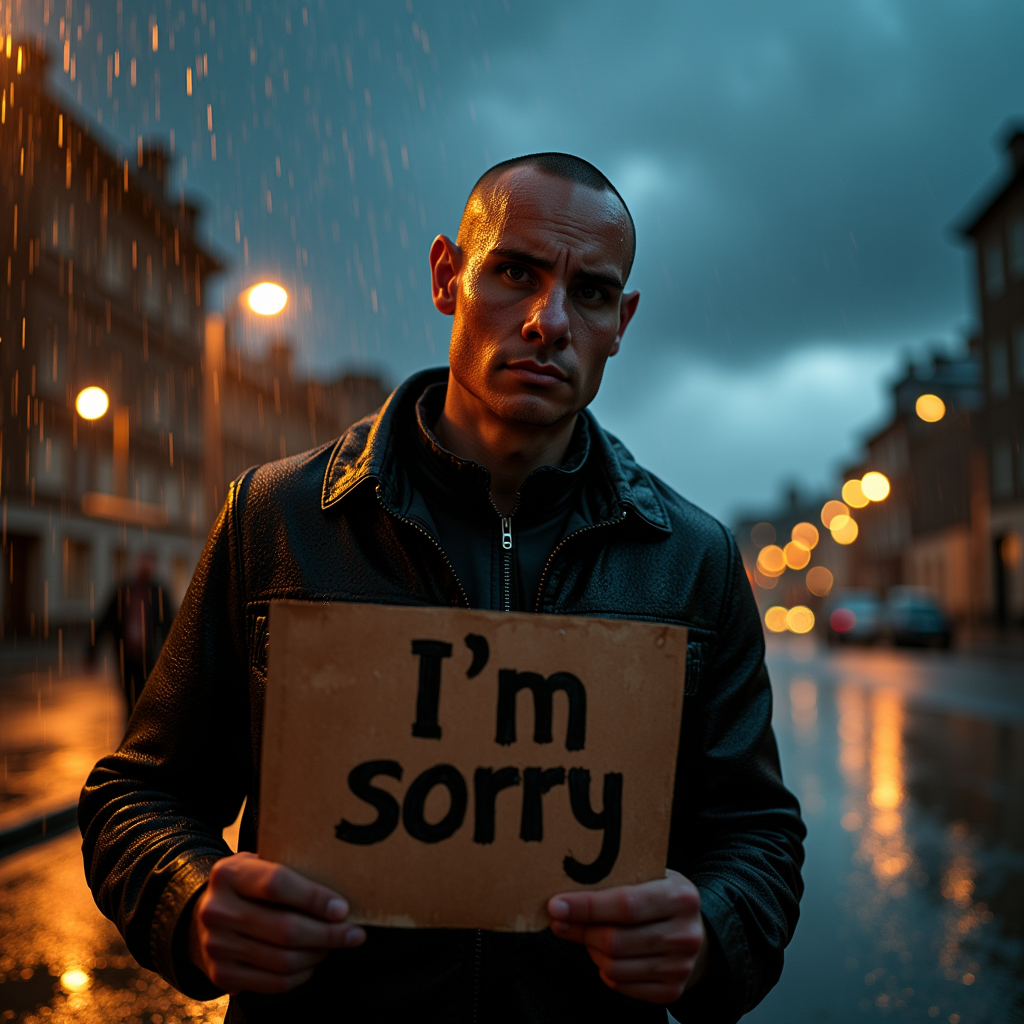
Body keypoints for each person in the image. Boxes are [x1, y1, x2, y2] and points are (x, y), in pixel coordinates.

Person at [79, 153, 805, 1023]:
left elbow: (757, 836)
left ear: (623, 322)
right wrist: (194, 904)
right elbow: (140, 794)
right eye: (514, 273)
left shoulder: (692, 560)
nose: (549, 321)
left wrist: (709, 930)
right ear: (446, 277)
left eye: (593, 293)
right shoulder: (279, 519)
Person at [89, 551, 175, 713]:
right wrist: (91, 652)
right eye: (143, 562)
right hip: (125, 654)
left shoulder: (159, 593)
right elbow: (106, 620)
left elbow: (169, 625)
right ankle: (132, 729)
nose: (145, 567)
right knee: (128, 697)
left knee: (146, 696)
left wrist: (172, 656)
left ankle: (141, 729)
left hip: (148, 655)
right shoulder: (124, 590)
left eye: (148, 563)